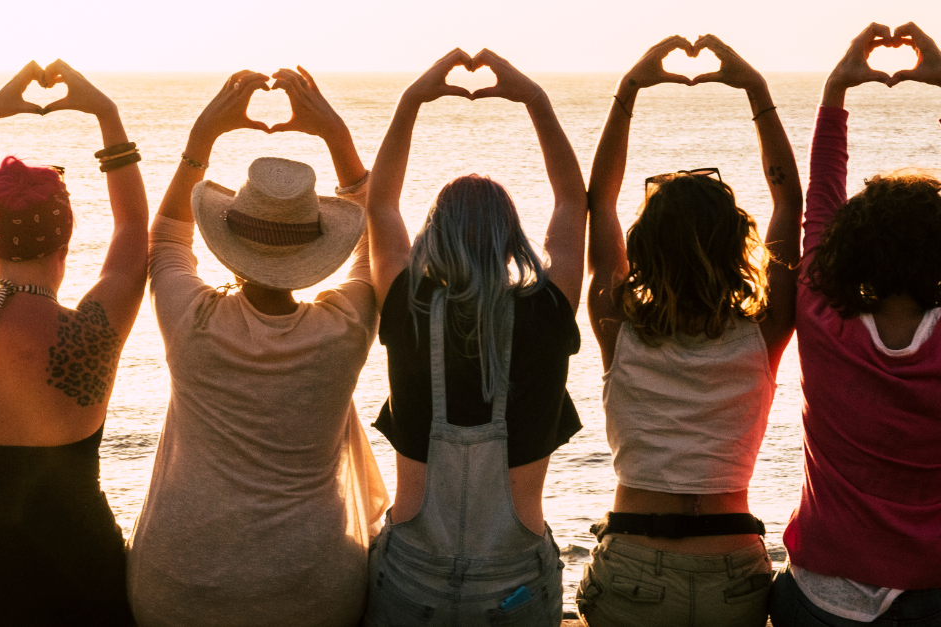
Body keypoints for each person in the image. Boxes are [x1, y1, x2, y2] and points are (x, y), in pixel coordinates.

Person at [126, 67, 388, 627]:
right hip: (314, 592)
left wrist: (204, 136)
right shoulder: (344, 329)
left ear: (229, 239)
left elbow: (166, 234)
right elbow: (380, 248)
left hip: (176, 591)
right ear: (316, 245)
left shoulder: (191, 320)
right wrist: (336, 136)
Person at [573, 35, 802, 627]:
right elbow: (788, 199)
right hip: (733, 567)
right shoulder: (766, 331)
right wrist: (755, 89)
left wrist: (629, 91)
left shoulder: (616, 322)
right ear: (736, 244)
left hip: (633, 561)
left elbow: (598, 203)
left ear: (643, 246)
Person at [362, 48, 587, 626]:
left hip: (412, 575)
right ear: (513, 239)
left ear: (433, 234)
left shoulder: (408, 304)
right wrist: (534, 100)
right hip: (513, 583)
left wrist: (412, 99)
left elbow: (380, 205)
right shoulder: (547, 311)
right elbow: (571, 204)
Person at [0, 60, 147, 626]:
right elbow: (132, 227)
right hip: (81, 573)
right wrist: (106, 114)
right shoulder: (96, 327)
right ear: (67, 236)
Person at [767, 22, 941, 627]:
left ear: (853, 248)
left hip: (819, 595)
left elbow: (822, 197)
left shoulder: (821, 318)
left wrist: (838, 87)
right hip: (930, 589)